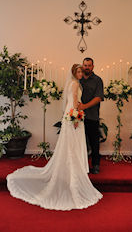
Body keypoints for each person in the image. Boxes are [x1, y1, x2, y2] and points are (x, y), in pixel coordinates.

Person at [6, 64, 103, 211]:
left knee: (69, 144)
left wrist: (73, 115)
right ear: (74, 73)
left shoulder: (72, 83)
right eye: (78, 71)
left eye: (81, 71)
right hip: (73, 117)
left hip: (68, 116)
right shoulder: (76, 84)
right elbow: (76, 102)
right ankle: (73, 171)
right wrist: (76, 117)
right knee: (73, 144)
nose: (80, 73)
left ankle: (69, 169)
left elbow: (70, 102)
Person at [79, 58, 104, 174]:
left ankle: (96, 165)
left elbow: (98, 98)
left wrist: (84, 106)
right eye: (85, 65)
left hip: (92, 116)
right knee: (79, 142)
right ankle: (80, 166)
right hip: (77, 117)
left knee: (94, 142)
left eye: (89, 65)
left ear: (93, 66)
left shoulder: (98, 80)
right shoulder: (78, 79)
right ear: (82, 66)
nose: (87, 67)